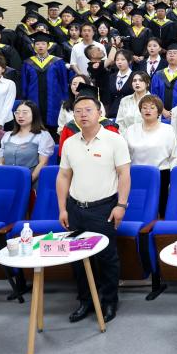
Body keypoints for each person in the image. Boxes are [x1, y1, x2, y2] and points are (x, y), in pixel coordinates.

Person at [56, 85, 131, 323]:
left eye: (88, 110)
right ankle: (86, 301)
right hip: (76, 208)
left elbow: (124, 174)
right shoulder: (70, 143)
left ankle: (109, 301)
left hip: (104, 208)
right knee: (78, 259)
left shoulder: (114, 140)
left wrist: (121, 205)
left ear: (100, 113)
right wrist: (62, 208)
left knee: (107, 258)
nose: (83, 115)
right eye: (78, 111)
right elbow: (63, 176)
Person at [122, 94, 177, 212]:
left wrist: (172, 181)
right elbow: (125, 156)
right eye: (144, 107)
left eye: (152, 107)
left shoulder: (168, 130)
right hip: (136, 175)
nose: (147, 110)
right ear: (140, 110)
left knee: (160, 210)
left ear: (159, 111)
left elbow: (174, 157)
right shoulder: (131, 130)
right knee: (137, 209)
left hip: (162, 175)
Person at [0, 101, 55, 183]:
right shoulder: (7, 135)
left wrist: (27, 182)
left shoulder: (42, 136)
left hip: (32, 182)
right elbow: (1, 162)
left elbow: (43, 163)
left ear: (34, 115)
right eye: (17, 113)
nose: (20, 116)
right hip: (8, 182)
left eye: (25, 112)